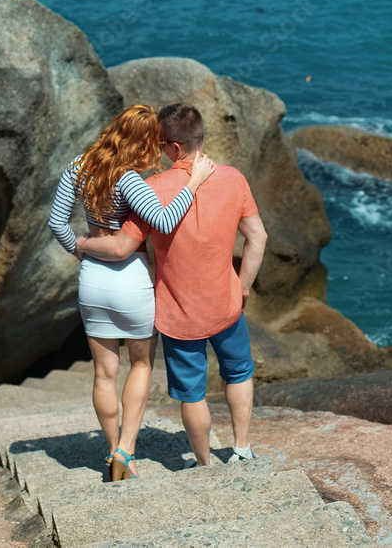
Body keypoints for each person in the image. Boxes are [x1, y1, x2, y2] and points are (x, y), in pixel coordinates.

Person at [77, 102, 267, 468]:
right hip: (227, 304)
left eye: (159, 143)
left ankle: (205, 465)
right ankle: (242, 449)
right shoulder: (233, 179)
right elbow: (258, 237)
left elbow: (121, 247)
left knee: (193, 394)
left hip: (179, 315)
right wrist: (242, 287)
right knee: (239, 373)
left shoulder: (153, 189)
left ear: (174, 147)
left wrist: (82, 243)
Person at [47, 104, 215, 481]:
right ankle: (126, 449)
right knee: (140, 364)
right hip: (131, 281)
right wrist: (193, 183)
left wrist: (80, 250)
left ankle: (112, 453)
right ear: (141, 142)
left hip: (92, 281)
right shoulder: (130, 181)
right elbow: (165, 221)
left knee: (104, 374)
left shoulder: (79, 167)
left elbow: (56, 222)